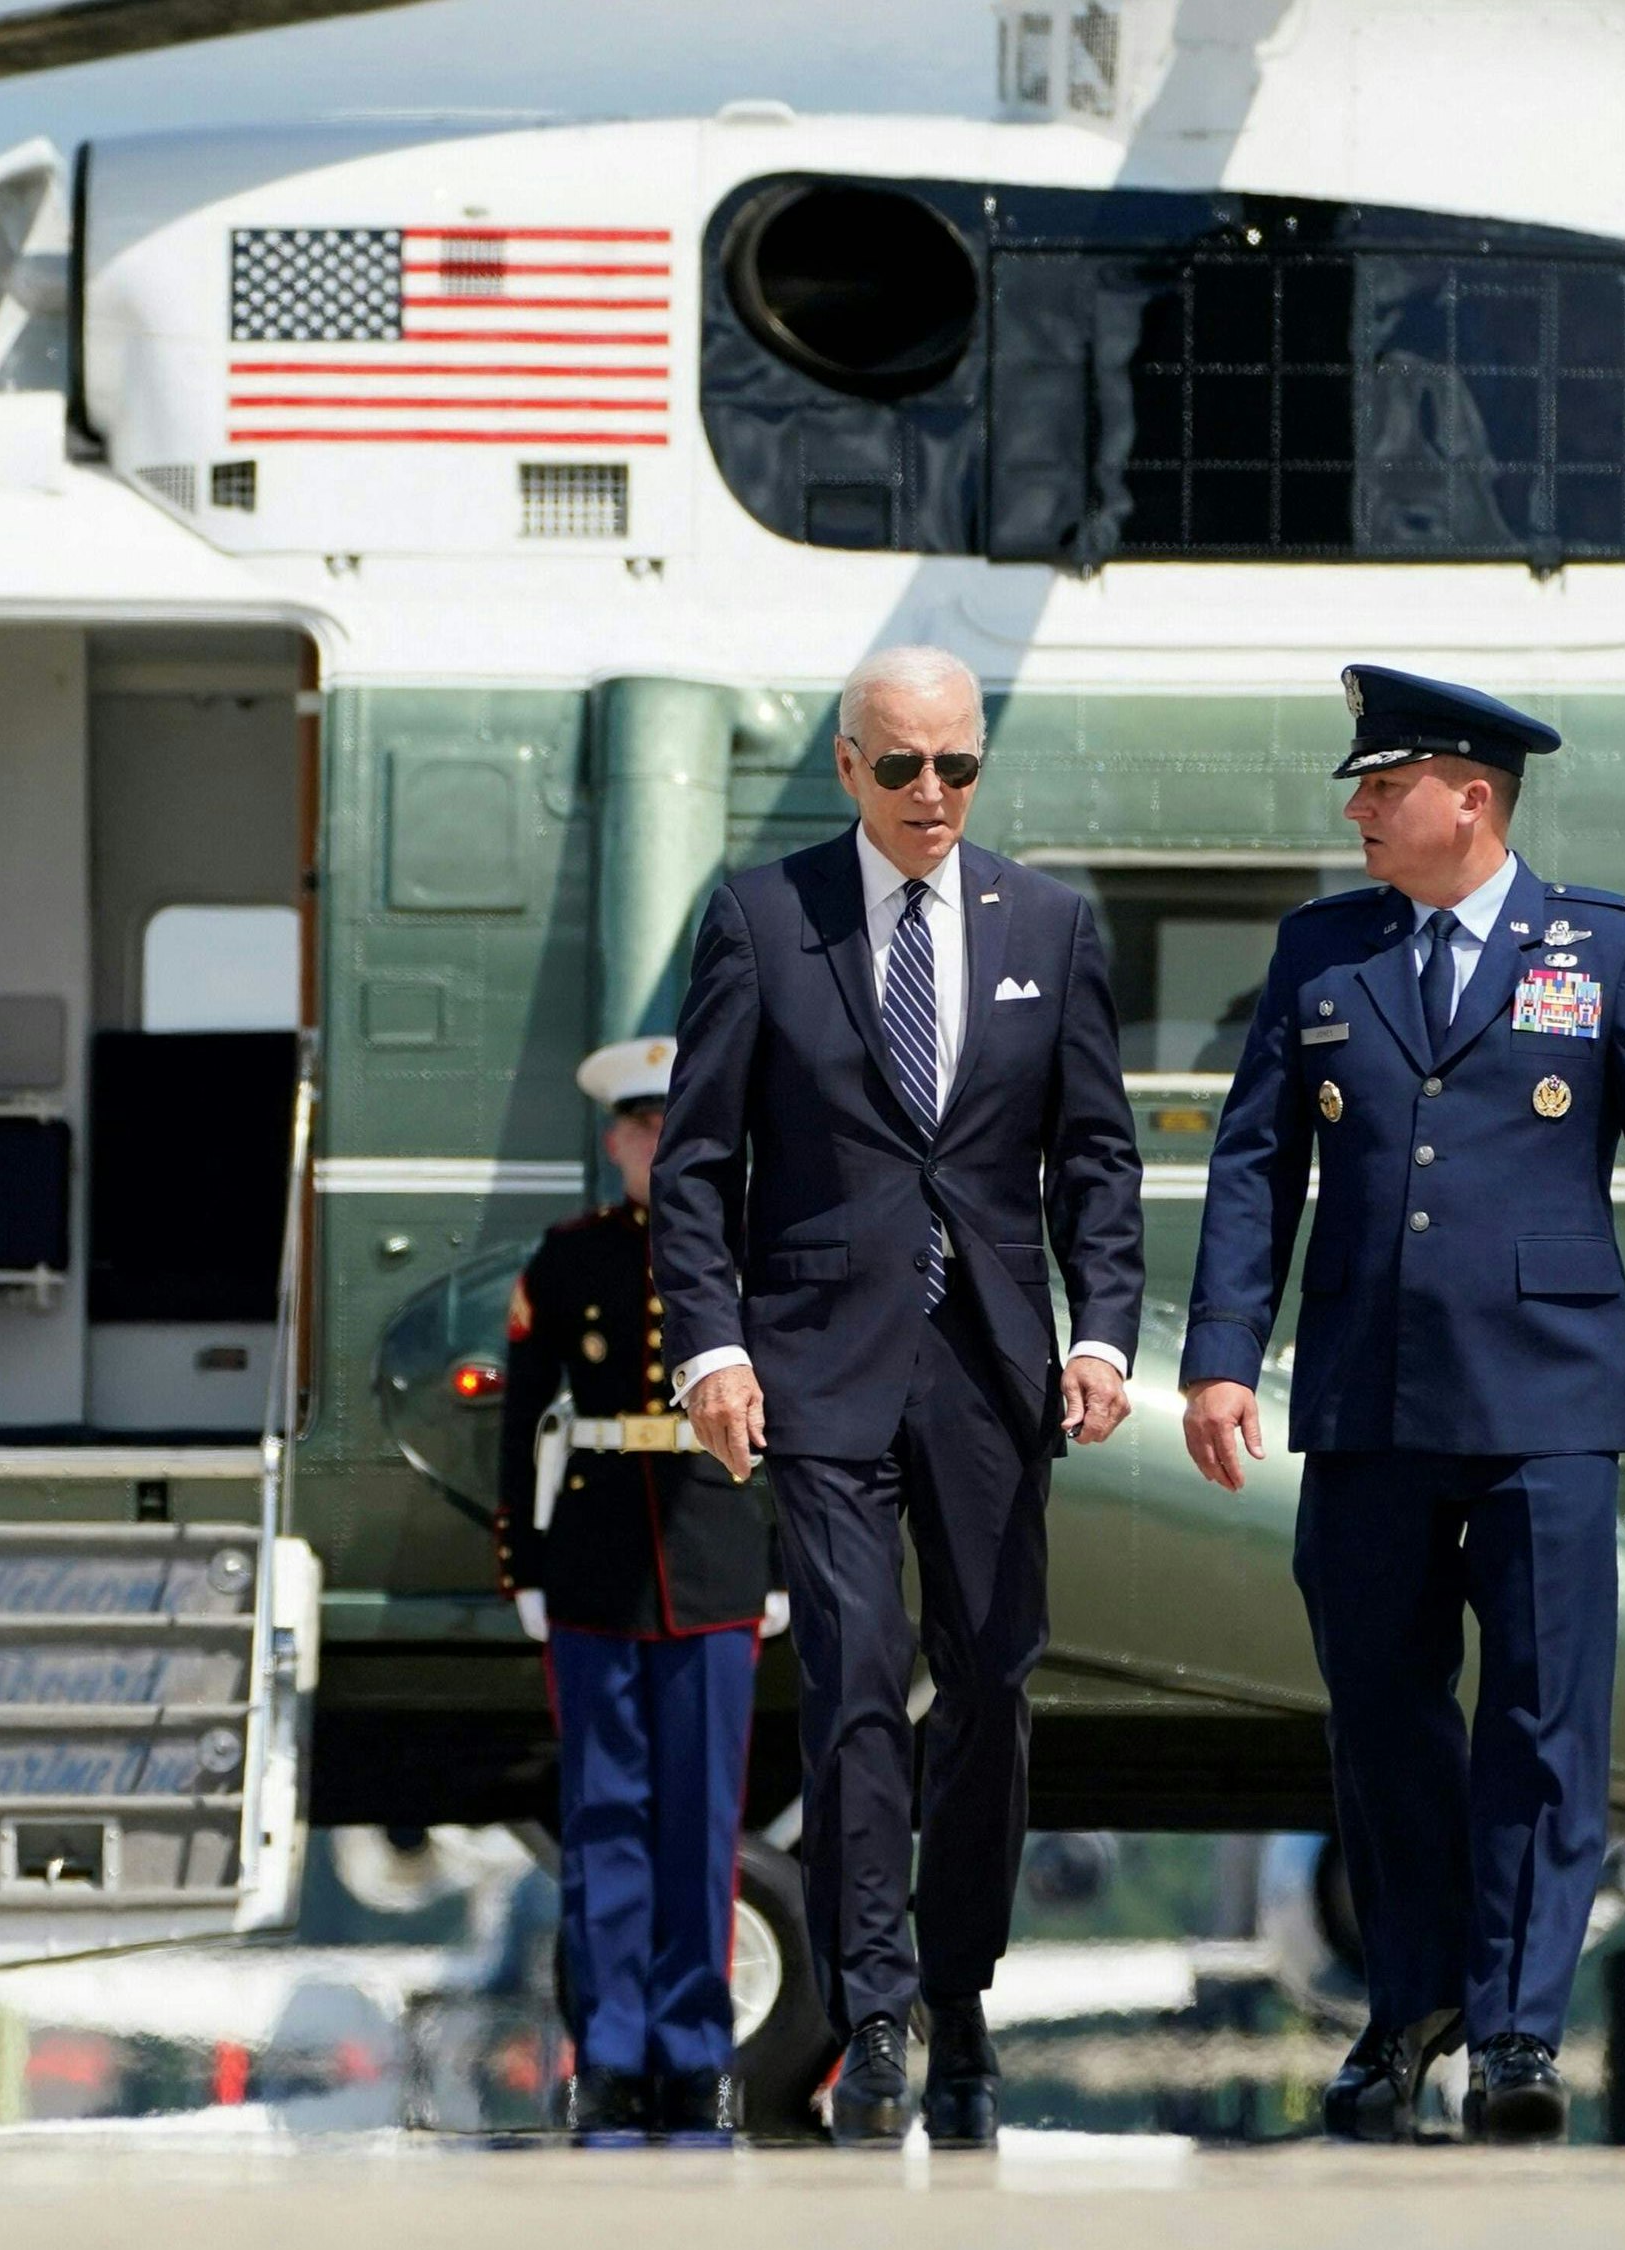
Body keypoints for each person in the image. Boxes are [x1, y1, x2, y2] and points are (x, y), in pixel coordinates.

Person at [1178, 665, 1625, 2146]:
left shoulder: (1608, 949)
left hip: (1546, 1403)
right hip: (1370, 1399)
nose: (1360, 812)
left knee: (1541, 1722)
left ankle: (1516, 2033)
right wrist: (1217, 1353)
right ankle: (1414, 2006)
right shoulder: (1322, 954)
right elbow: (1257, 1169)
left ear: (1473, 795)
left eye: (1384, 788)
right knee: (1381, 1719)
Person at [652, 643, 1147, 2148]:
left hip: (994, 1363)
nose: (935, 794)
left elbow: (1097, 1160)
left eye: (960, 766)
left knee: (992, 1676)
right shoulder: (759, 917)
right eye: (904, 767)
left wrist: (1105, 1332)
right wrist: (712, 1347)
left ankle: (962, 1986)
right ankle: (874, 2011)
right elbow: (694, 1163)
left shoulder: (1051, 925)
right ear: (849, 766)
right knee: (858, 1674)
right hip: (820, 1361)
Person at [497, 1034, 789, 2138]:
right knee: (603, 1818)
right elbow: (527, 1419)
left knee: (702, 1824)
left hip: (714, 1556)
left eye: (674, 1127)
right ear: (616, 1143)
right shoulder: (565, 1260)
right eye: (637, 1128)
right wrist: (522, 1562)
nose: (654, 1145)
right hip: (594, 1560)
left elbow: (788, 1424)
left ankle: (696, 2051)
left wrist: (781, 1559)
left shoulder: (747, 1258)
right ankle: (612, 2052)